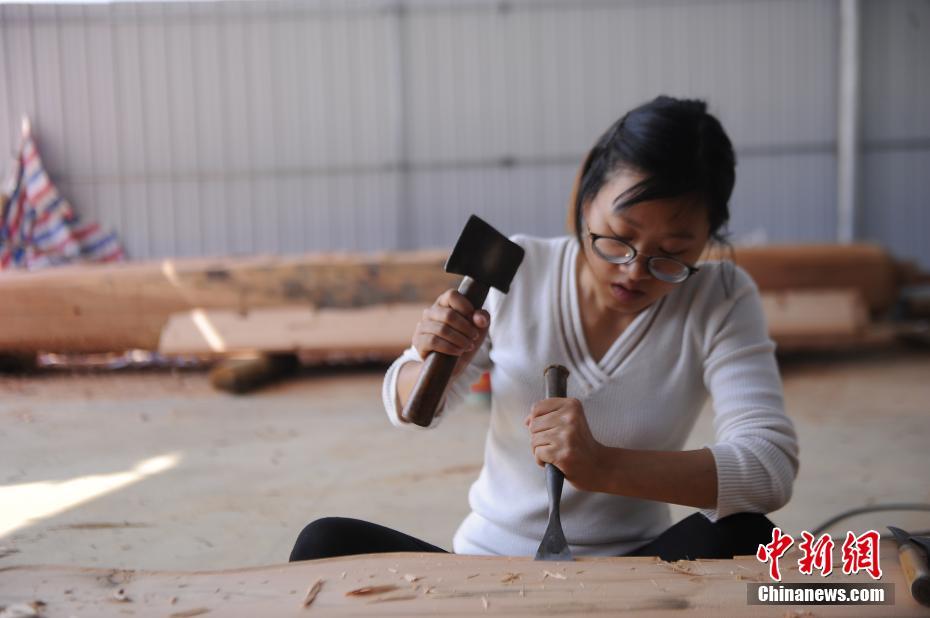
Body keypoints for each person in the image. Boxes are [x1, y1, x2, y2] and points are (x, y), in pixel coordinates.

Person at [290, 95, 799, 562]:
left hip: (632, 573)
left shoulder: (721, 296)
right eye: (618, 239)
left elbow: (767, 467)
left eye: (674, 253)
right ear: (584, 198)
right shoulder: (520, 267)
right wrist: (433, 359)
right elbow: (410, 410)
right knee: (327, 543)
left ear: (708, 237)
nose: (635, 270)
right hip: (489, 568)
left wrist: (603, 467)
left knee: (747, 535)